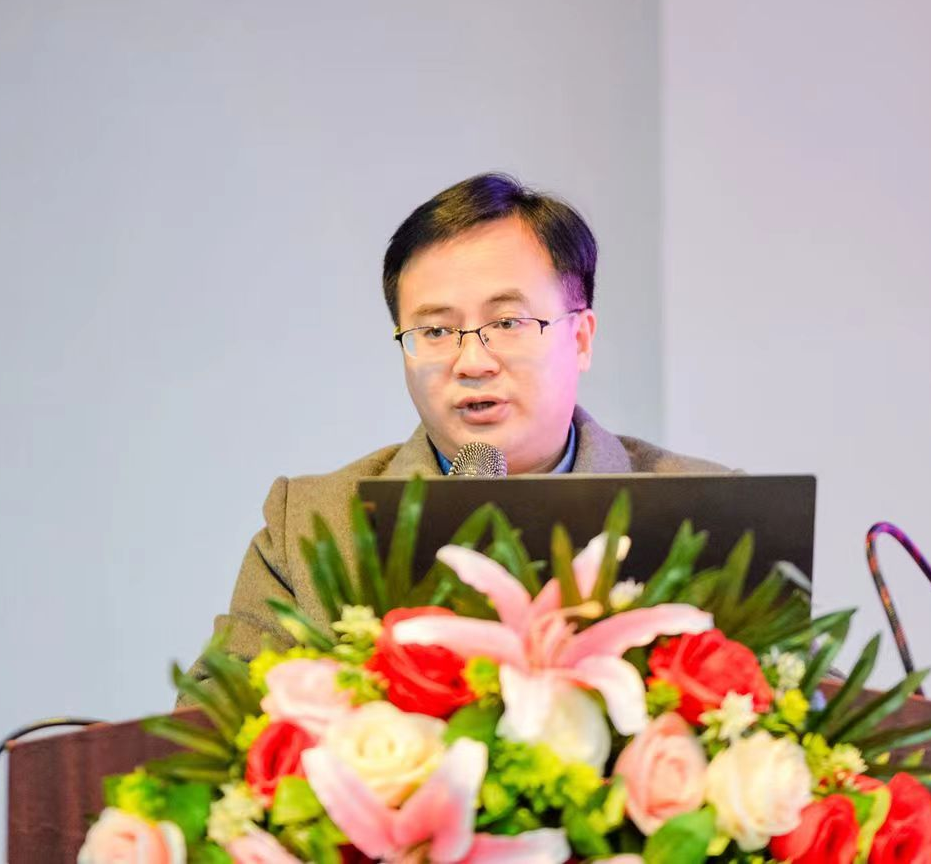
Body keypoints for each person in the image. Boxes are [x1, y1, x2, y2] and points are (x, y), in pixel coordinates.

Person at [204, 172, 729, 663]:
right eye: (435, 332)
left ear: (581, 339)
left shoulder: (710, 514)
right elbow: (215, 716)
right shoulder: (310, 530)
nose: (473, 362)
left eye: (507, 322)